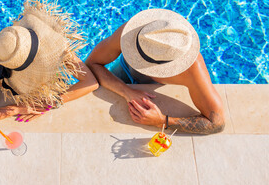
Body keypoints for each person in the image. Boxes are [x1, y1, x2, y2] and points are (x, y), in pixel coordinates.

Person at [0, 0, 98, 128]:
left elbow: (91, 82)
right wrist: (15, 109)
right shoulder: (2, 70)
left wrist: (49, 103)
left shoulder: (56, 48)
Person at [86, 9, 224, 134]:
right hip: (125, 70)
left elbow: (217, 123)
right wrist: (126, 92)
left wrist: (163, 121)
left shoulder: (193, 69)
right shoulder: (136, 33)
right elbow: (92, 63)